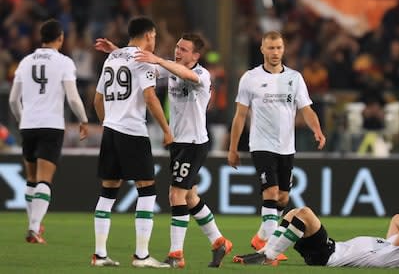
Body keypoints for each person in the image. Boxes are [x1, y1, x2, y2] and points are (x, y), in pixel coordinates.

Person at [95, 33, 232, 268]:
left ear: (196, 56)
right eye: (177, 47)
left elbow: (186, 74)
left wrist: (158, 59)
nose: (178, 52)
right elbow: (140, 66)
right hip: (179, 143)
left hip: (193, 144)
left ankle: (176, 254)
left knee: (175, 195)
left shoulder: (202, 74)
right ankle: (219, 241)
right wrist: (117, 51)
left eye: (184, 50)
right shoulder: (171, 68)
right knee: (189, 197)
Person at [227, 31, 326, 259]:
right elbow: (240, 116)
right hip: (261, 144)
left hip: (286, 147)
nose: (275, 52)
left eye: (279, 48)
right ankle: (269, 250)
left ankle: (262, 236)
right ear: (262, 49)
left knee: (282, 198)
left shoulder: (294, 78)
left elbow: (306, 109)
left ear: (284, 49)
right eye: (270, 48)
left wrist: (317, 129)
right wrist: (233, 148)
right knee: (270, 192)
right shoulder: (250, 78)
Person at [91, 16, 173, 268]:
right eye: (155, 36)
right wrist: (167, 130)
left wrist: (109, 122)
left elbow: (97, 100)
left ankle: (100, 254)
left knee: (108, 190)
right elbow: (150, 97)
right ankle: (141, 255)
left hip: (111, 130)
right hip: (133, 131)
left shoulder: (112, 59)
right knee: (147, 189)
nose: (155, 41)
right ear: (149, 35)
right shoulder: (143, 60)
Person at [8, 19, 89, 244]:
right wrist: (83, 119)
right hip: (51, 125)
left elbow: (14, 99)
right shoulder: (64, 62)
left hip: (28, 125)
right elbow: (73, 97)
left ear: (40, 37)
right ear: (60, 38)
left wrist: (22, 119)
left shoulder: (25, 62)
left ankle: (34, 225)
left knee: (32, 179)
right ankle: (34, 228)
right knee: (45, 179)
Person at [234, 207, 399, 269]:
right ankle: (267, 252)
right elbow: (397, 218)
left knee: (304, 213)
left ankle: (269, 255)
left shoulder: (397, 256)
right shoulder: (394, 246)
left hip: (328, 254)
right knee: (293, 214)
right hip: (326, 252)